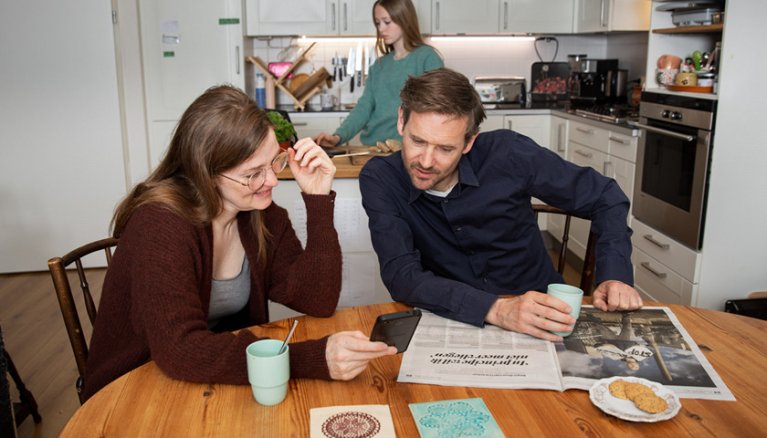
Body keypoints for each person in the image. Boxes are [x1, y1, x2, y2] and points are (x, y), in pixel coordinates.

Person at [83, 85, 396, 401]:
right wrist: (309, 359)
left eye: (275, 161)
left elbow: (317, 299)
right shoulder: (160, 225)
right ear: (207, 174)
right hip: (134, 389)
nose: (272, 181)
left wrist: (317, 199)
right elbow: (180, 350)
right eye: (252, 174)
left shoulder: (261, 215)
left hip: (217, 376)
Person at [359, 68, 643, 343]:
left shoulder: (510, 154)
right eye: (417, 141)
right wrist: (498, 310)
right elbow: (402, 276)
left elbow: (606, 196)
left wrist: (615, 276)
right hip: (455, 319)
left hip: (544, 313)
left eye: (445, 149)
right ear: (401, 121)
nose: (426, 161)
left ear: (470, 141)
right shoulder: (381, 178)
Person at [314, 0, 443, 147]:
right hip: (374, 148)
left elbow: (437, 109)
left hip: (408, 149)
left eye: (386, 22)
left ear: (404, 20)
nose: (381, 28)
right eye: (377, 23)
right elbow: (364, 107)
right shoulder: (379, 65)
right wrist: (337, 137)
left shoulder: (427, 58)